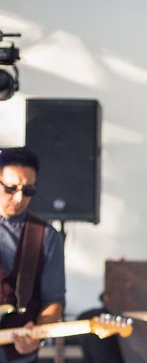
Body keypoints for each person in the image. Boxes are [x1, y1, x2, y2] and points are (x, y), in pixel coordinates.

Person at [0, 147, 65, 362]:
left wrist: (37, 338)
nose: (19, 198)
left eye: (28, 190)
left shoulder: (46, 235)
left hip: (18, 355)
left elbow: (53, 300)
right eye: (10, 188)